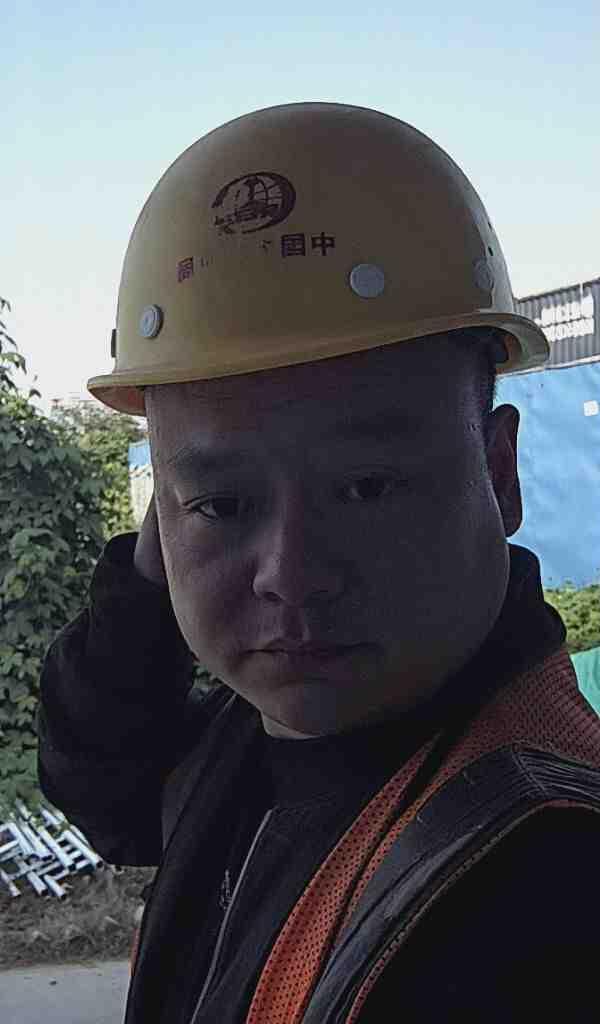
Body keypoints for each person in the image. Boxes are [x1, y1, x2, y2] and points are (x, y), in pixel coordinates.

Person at [37, 103, 600, 1024]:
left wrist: (210, 501)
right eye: (224, 505)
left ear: (498, 473)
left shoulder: (544, 887)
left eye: (367, 488)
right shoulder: (262, 739)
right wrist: (162, 554)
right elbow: (103, 779)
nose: (292, 576)